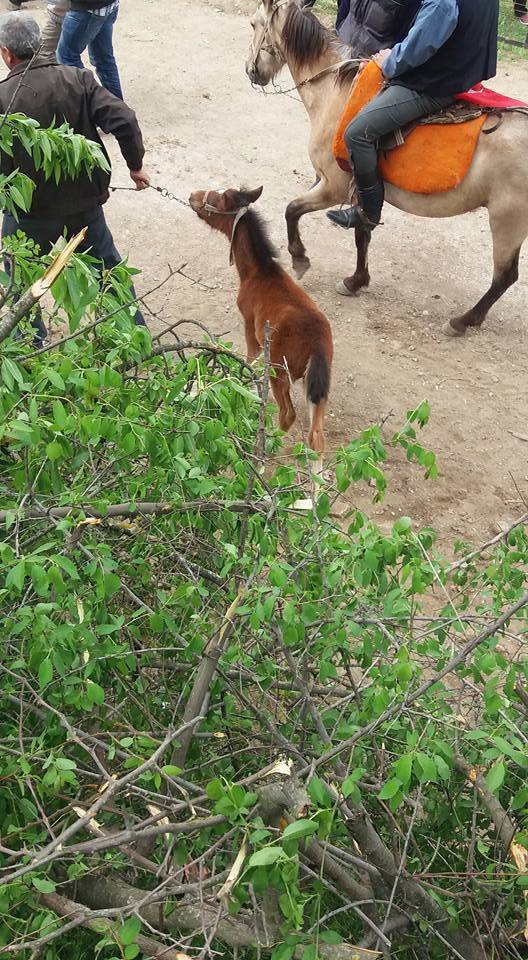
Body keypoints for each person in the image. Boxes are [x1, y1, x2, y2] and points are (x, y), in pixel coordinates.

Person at [0, 13, 150, 337]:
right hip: (83, 207)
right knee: (110, 275)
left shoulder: (3, 99)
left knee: (18, 280)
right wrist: (135, 166)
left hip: (28, 213)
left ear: (7, 54)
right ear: (39, 45)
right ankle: (136, 340)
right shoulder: (77, 79)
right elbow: (124, 119)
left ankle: (31, 347)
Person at [327, 0, 499, 232]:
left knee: (357, 134)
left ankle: (367, 212)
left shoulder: (442, 3)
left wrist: (389, 61)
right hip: (465, 74)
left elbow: (422, 43)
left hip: (436, 83)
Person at [57, 0, 123, 100]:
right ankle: (118, 108)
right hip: (107, 6)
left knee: (67, 58)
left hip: (88, 9)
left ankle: (92, 102)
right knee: (104, 61)